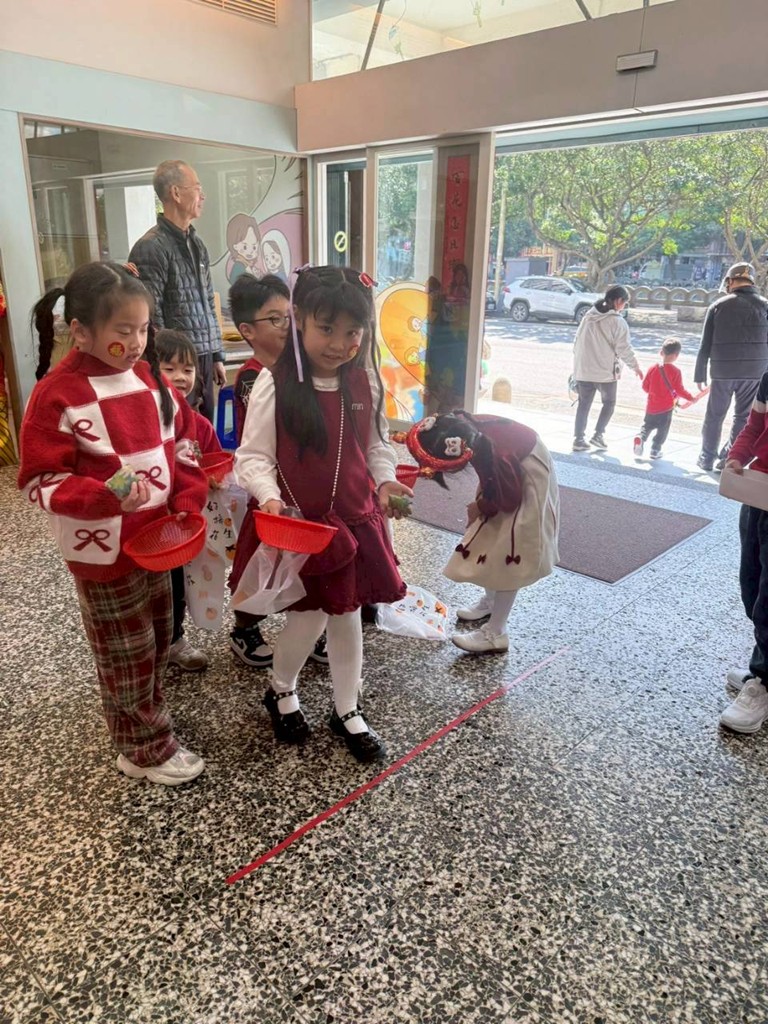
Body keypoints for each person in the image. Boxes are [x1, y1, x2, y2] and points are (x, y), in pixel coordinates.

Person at [18, 262, 208, 785]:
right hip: (102, 548)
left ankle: (143, 720)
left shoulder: (148, 377)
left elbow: (184, 441)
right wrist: (103, 497)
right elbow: (38, 481)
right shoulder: (57, 394)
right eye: (125, 330)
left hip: (157, 539)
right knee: (125, 649)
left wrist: (188, 498)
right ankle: (143, 748)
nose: (138, 342)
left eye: (144, 328)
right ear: (80, 331)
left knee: (157, 638)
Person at [234, 265, 410, 763]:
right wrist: (269, 497)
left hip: (353, 518)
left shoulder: (364, 382)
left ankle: (347, 707)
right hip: (301, 524)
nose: (339, 343)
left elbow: (375, 446)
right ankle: (281, 688)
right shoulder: (275, 383)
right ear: (299, 320)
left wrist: (385, 481)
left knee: (348, 614)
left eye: (353, 332)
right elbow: (253, 457)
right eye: (326, 328)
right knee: (307, 617)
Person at [227, 273, 328, 670]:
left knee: (304, 563)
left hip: (302, 487)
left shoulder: (301, 369)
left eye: (289, 316)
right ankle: (245, 628)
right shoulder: (255, 376)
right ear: (248, 331)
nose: (287, 326)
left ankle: (308, 626)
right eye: (274, 319)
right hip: (267, 487)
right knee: (257, 563)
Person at [393, 412, 559, 654]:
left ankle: (496, 633)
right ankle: (492, 601)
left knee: (509, 548)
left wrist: (480, 506)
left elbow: (509, 500)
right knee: (488, 536)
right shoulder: (463, 430)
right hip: (508, 470)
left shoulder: (495, 455)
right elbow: (496, 482)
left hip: (526, 476)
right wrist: (483, 504)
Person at [129, 161, 227, 423]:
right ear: (175, 193)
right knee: (179, 428)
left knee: (204, 427)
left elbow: (208, 300)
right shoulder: (150, 247)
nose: (202, 196)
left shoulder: (197, 244)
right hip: (175, 363)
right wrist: (165, 365)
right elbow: (150, 314)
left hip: (202, 357)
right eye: (197, 188)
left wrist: (216, 354)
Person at [156, 328, 222, 672]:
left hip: (185, 523)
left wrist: (212, 479)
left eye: (188, 369)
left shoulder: (200, 425)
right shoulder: (146, 422)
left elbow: (215, 465)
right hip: (150, 522)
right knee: (153, 588)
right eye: (169, 368)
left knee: (178, 584)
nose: (180, 377)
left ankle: (174, 641)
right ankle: (151, 646)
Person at [719, 372, 768, 734]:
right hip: (758, 494)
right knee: (751, 585)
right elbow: (754, 426)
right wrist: (737, 456)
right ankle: (761, 663)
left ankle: (763, 681)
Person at [694, 262, 768, 472]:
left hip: (723, 372)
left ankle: (706, 457)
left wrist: (700, 374)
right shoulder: (765, 306)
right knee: (743, 418)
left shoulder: (719, 305)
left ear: (730, 281)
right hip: (755, 373)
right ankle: (728, 458)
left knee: (714, 416)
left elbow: (705, 343)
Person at [571, 284, 643, 452]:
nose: (624, 306)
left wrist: (577, 368)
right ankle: (598, 435)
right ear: (618, 301)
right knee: (609, 403)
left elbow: (577, 342)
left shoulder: (588, 317)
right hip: (605, 373)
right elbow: (623, 349)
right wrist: (635, 366)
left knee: (583, 404)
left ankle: (578, 439)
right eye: (625, 303)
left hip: (584, 370)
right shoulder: (618, 322)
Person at [633, 338, 697, 460]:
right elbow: (679, 389)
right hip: (666, 408)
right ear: (676, 355)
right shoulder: (675, 371)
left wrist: (653, 393)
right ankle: (655, 449)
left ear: (661, 352)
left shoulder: (652, 368)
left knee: (647, 425)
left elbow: (645, 386)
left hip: (651, 406)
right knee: (663, 430)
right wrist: (691, 398)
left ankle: (641, 437)